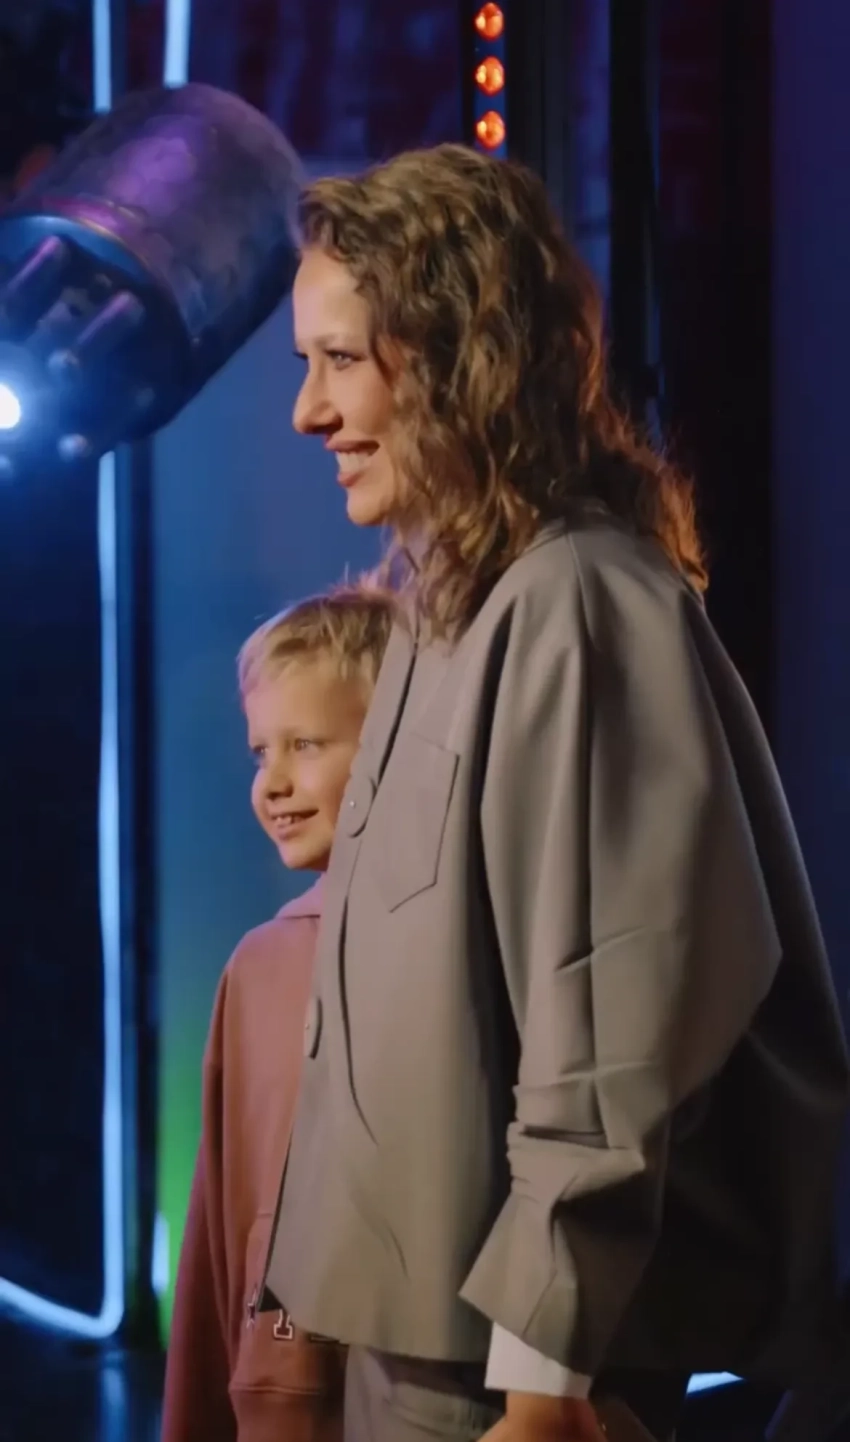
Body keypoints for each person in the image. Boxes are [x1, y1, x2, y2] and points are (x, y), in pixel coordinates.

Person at [259, 144, 850, 1442]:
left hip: (498, 1376)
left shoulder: (576, 604)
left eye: (340, 359)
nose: (307, 411)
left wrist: (542, 1385)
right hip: (422, 1342)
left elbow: (608, 1024)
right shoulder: (447, 608)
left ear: (456, 353)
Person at [161, 583, 396, 1442]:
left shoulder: (460, 951)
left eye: (306, 744)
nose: (274, 784)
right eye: (262, 752)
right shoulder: (258, 968)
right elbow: (217, 1233)